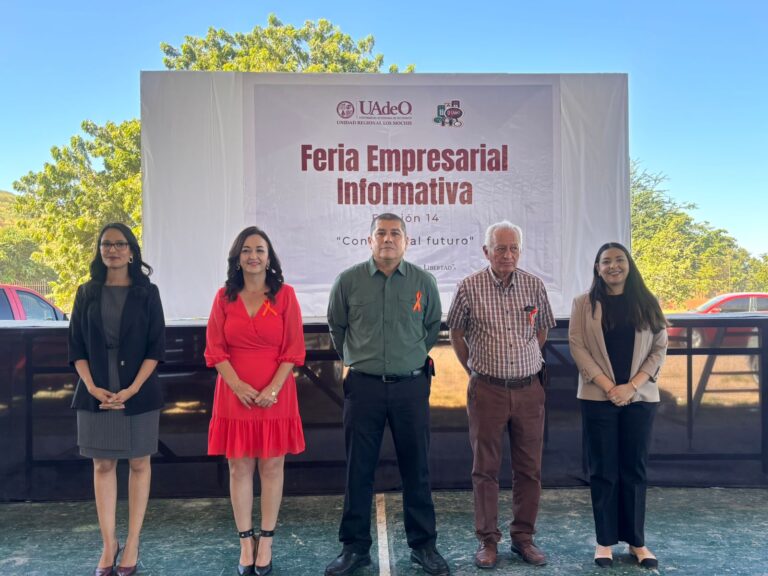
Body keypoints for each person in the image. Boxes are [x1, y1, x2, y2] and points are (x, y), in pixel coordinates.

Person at [325, 213, 449, 576]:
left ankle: (424, 546)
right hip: (363, 387)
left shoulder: (423, 282)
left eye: (396, 233)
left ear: (406, 241)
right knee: (358, 470)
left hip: (411, 387)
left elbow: (431, 327)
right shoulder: (348, 281)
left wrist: (408, 358)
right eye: (381, 233)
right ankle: (354, 549)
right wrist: (359, 358)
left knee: (417, 469)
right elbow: (337, 326)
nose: (388, 239)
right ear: (370, 241)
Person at [446, 221, 555, 569]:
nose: (507, 255)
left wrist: (523, 363)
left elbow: (541, 331)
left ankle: (524, 538)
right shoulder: (468, 287)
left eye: (513, 248)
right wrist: (476, 370)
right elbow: (456, 334)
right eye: (500, 248)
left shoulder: (534, 285)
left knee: (530, 470)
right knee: (485, 470)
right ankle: (487, 541)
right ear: (486, 251)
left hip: (529, 391)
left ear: (520, 251)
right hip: (487, 390)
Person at [205, 226, 305, 576]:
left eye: (260, 250)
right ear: (237, 258)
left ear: (269, 257)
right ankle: (245, 541)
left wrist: (273, 389)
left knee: (272, 466)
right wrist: (237, 386)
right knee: (239, 468)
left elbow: (294, 349)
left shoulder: (286, 296)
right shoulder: (223, 298)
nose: (253, 256)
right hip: (235, 396)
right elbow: (214, 350)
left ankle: (267, 540)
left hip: (276, 395)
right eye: (246, 250)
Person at [69, 222, 165, 576]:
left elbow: (156, 348)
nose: (113, 250)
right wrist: (92, 387)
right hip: (96, 389)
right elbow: (76, 348)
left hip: (138, 390)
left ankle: (133, 541)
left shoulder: (148, 293)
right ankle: (109, 543)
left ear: (132, 251)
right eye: (106, 244)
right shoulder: (86, 292)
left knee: (139, 463)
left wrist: (133, 389)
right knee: (102, 465)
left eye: (120, 244)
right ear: (99, 250)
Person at [568, 241, 667, 569]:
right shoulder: (583, 304)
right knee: (603, 470)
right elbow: (577, 346)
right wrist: (610, 387)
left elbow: (659, 347)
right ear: (597, 268)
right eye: (606, 261)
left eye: (619, 260)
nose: (613, 266)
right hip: (598, 398)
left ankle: (637, 542)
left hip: (639, 398)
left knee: (634, 469)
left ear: (629, 265)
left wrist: (631, 386)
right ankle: (605, 541)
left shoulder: (648, 302)